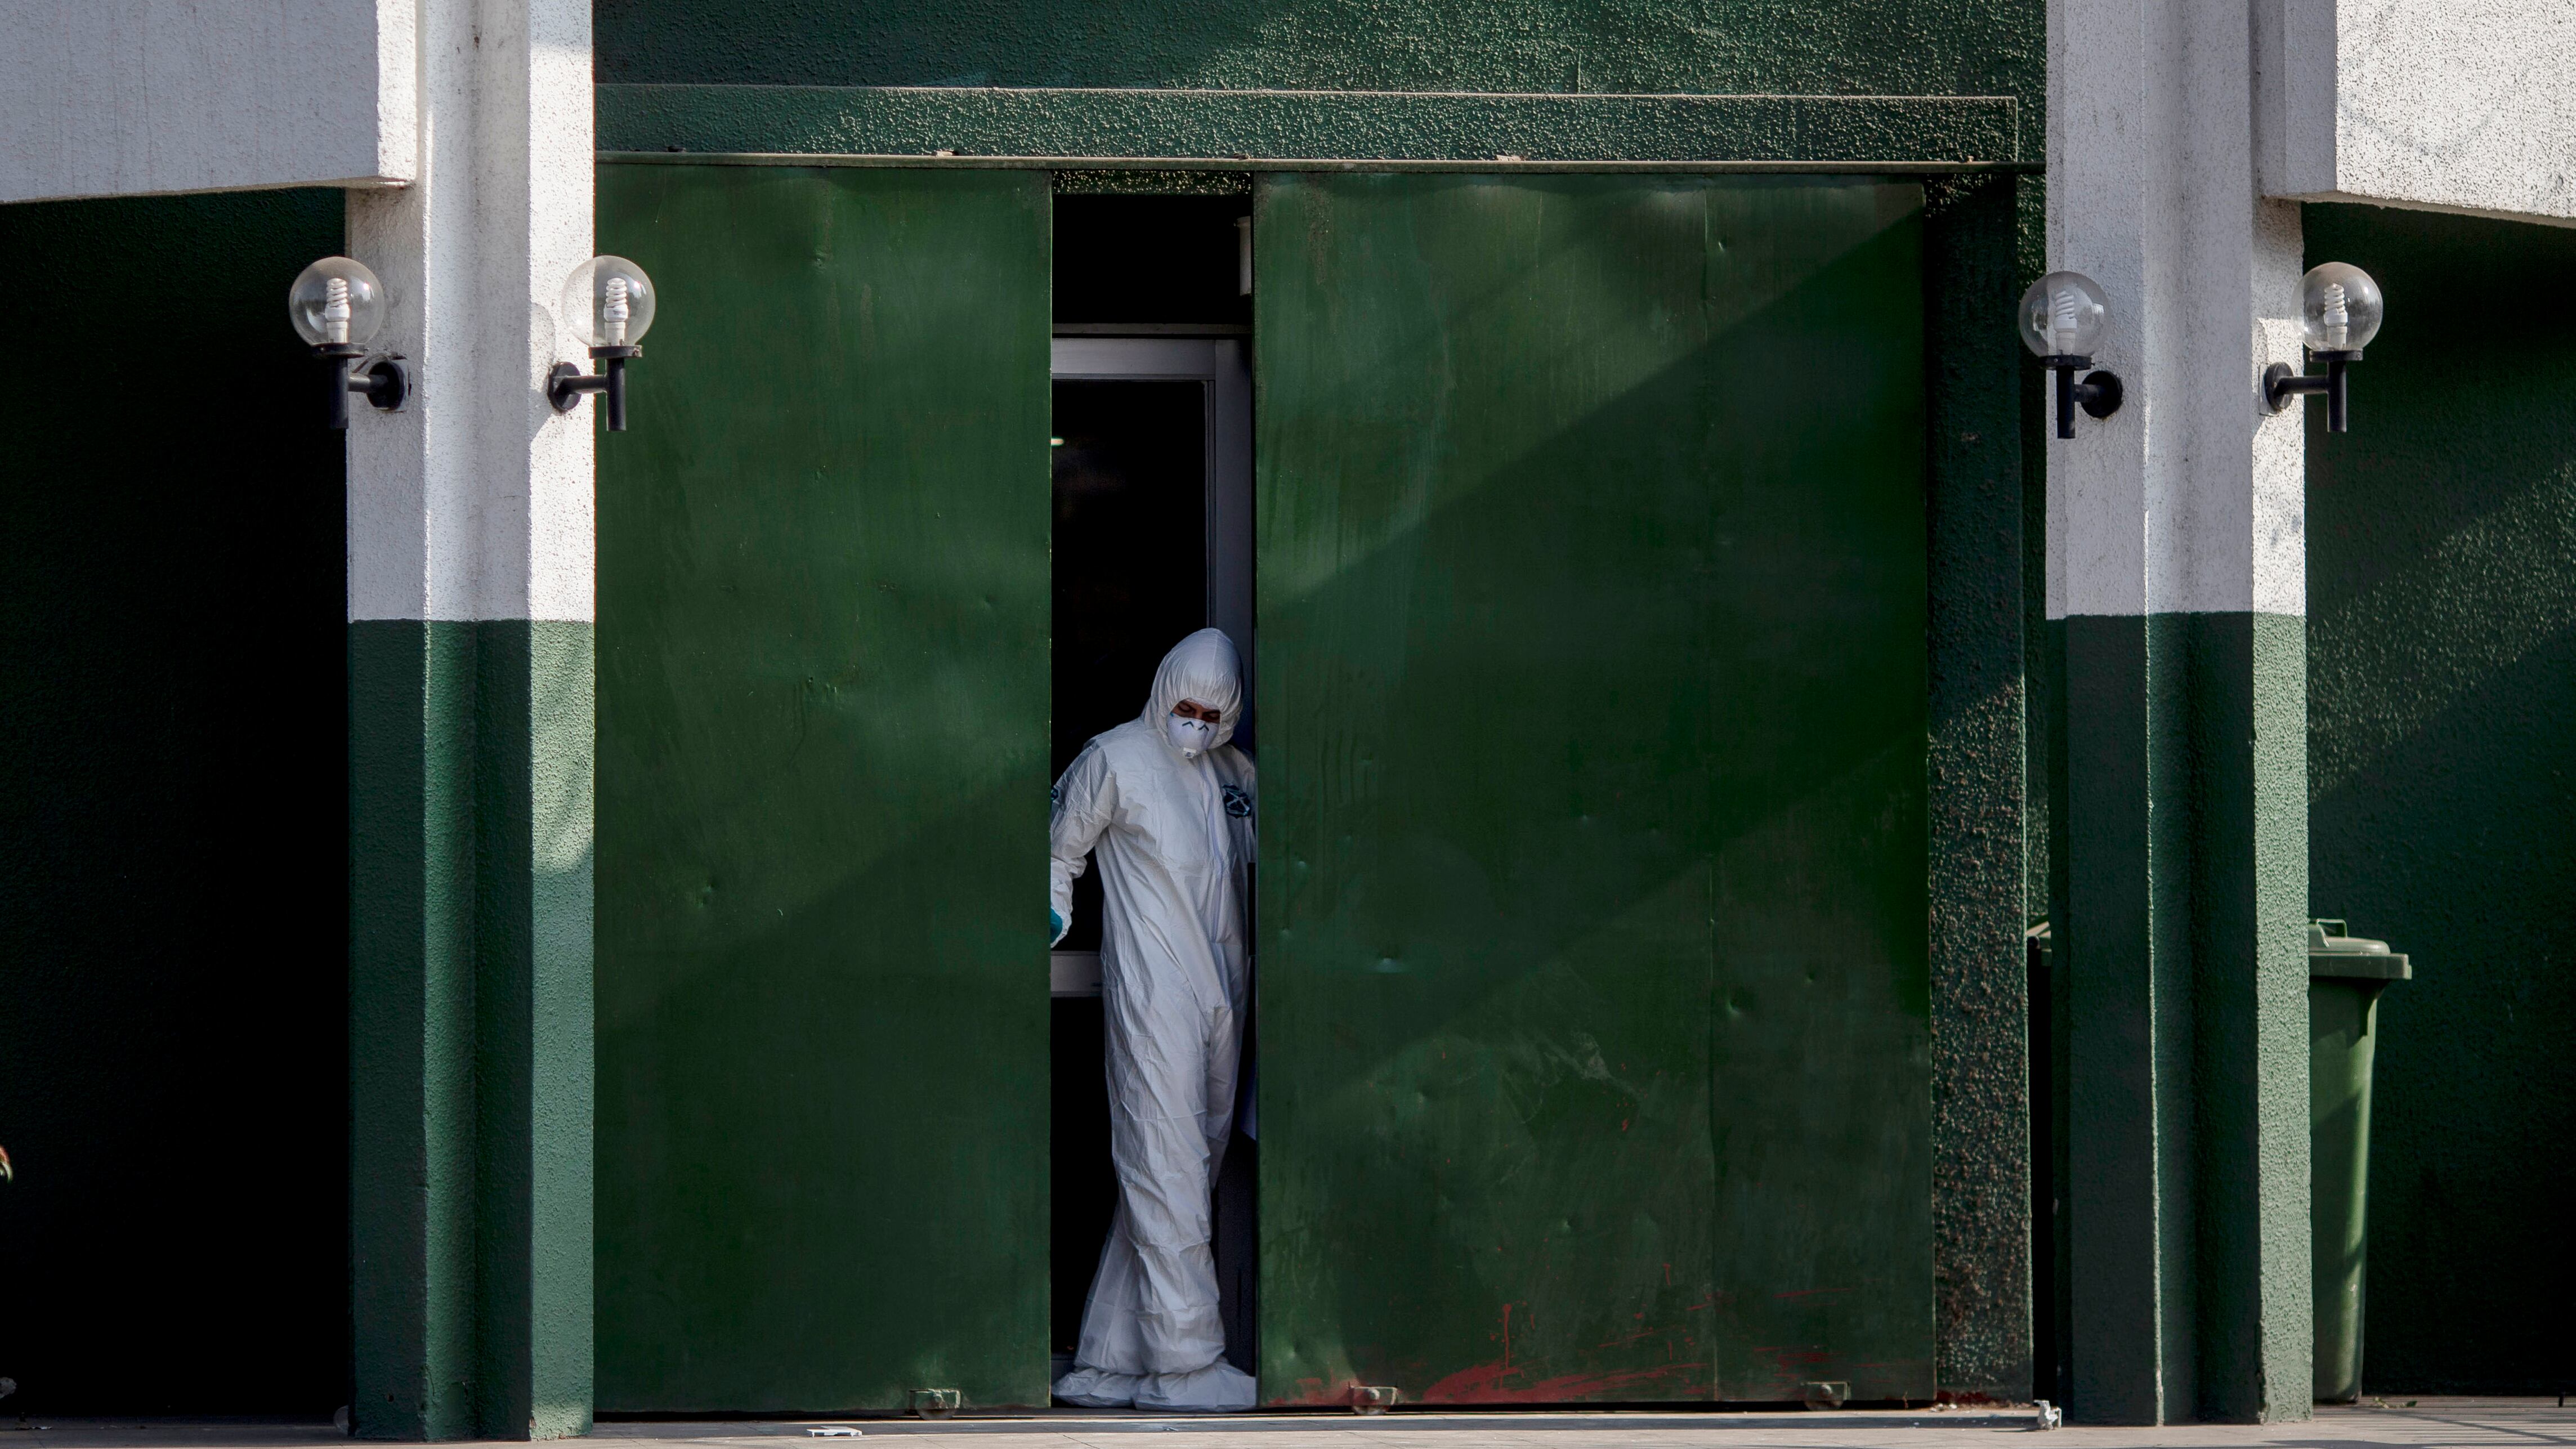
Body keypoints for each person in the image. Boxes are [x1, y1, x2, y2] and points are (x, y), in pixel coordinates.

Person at [1047, 628, 1258, 1413]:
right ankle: (1185, 1364)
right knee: (1164, 1165)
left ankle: (1109, 1360)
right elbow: (1059, 848)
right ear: (1163, 688)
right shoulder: (1116, 758)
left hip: (1219, 994)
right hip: (1152, 992)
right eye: (1186, 706)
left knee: (1185, 1169)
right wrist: (1054, 908)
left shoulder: (1233, 776)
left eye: (1212, 711)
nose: (1196, 721)